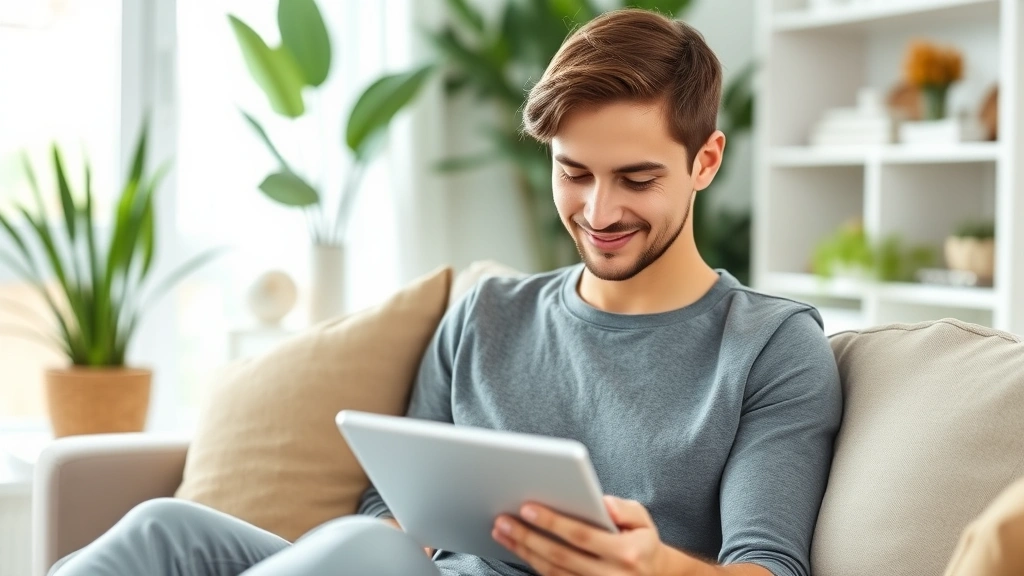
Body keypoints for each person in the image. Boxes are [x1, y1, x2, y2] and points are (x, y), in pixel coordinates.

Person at [48, 8, 842, 576]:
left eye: (637, 178)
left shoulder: (769, 346)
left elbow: (769, 568)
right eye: (574, 173)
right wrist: (408, 536)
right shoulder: (488, 316)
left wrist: (654, 566)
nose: (599, 212)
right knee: (164, 530)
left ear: (705, 162)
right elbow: (382, 508)